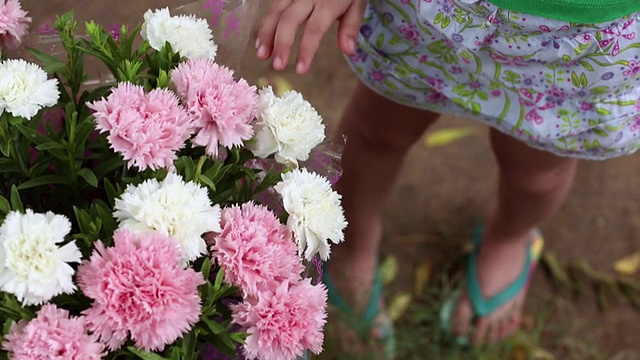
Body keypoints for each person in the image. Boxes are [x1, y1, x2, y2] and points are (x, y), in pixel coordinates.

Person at [255, 0, 640, 354]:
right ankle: (352, 239)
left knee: (536, 175)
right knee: (380, 132)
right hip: (438, 14)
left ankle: (509, 237)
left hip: (580, 40)